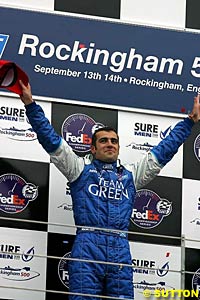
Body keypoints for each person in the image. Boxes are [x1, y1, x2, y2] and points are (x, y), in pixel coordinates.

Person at [19, 80, 200, 300]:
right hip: (87, 247)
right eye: (103, 141)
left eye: (114, 141)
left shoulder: (131, 175)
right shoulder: (79, 169)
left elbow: (163, 151)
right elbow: (50, 139)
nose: (110, 144)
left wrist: (189, 122)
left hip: (120, 249)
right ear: (93, 148)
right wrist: (30, 104)